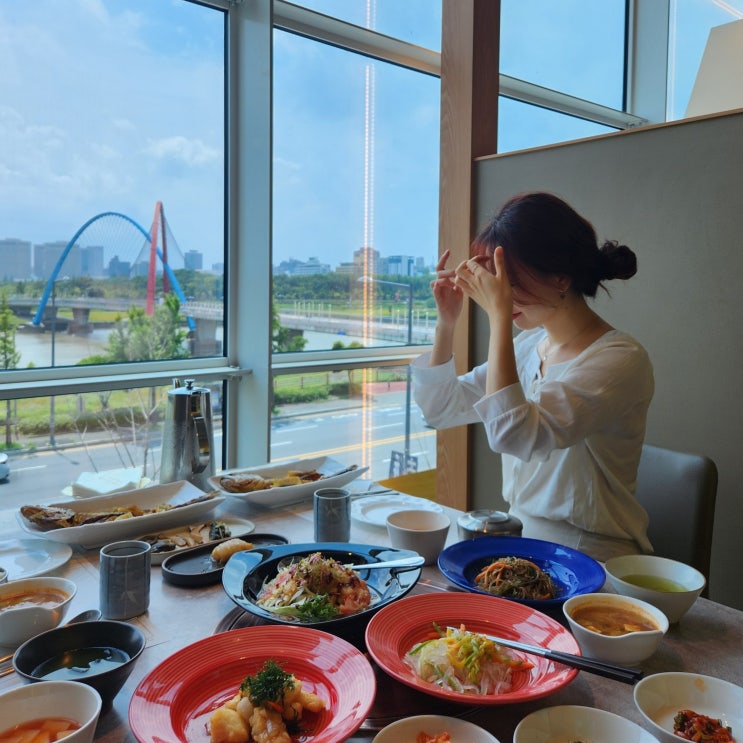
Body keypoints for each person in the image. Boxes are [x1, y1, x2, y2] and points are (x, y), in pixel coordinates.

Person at [412, 192, 654, 561]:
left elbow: (517, 435)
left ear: (560, 278)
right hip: (519, 535)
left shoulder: (620, 359)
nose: (498, 292)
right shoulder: (530, 346)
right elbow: (442, 410)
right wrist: (447, 322)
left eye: (510, 281)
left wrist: (497, 316)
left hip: (592, 553)